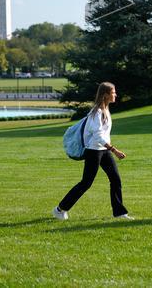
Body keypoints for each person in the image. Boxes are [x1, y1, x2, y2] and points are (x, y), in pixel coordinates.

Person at [53, 82, 131, 221]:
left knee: (115, 179)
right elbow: (98, 136)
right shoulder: (97, 112)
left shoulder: (105, 109)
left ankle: (119, 213)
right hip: (93, 151)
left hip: (103, 150)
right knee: (86, 183)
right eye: (113, 92)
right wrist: (114, 150)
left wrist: (109, 149)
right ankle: (60, 209)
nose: (115, 95)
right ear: (105, 95)